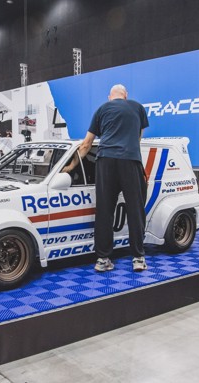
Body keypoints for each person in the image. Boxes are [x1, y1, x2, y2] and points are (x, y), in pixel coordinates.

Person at [63, 84, 149, 272]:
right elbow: (138, 139)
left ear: (110, 96)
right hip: (129, 160)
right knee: (135, 210)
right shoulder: (137, 108)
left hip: (105, 162)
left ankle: (103, 260)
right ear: (125, 95)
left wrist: (69, 167)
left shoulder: (101, 109)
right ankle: (138, 258)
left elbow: (86, 144)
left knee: (104, 211)